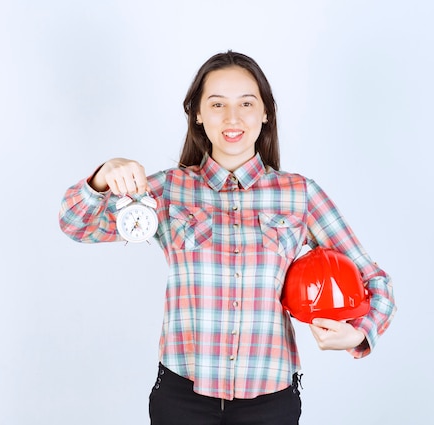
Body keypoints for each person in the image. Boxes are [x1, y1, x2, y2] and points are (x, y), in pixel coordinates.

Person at [59, 51, 396, 425]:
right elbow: (77, 224)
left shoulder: (300, 195)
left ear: (265, 112)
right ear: (198, 114)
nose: (232, 118)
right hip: (182, 398)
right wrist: (104, 175)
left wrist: (359, 335)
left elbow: (375, 282)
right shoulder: (167, 190)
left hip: (270, 402)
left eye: (246, 103)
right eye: (217, 103)